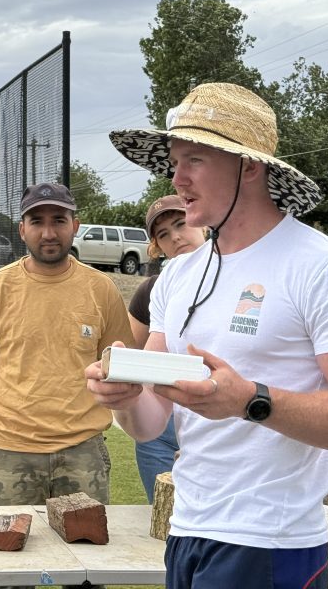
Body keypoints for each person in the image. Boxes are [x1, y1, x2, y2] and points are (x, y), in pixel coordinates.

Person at [87, 83, 328, 589]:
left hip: (272, 544)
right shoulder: (179, 275)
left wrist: (249, 401)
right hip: (187, 530)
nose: (177, 177)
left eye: (194, 159)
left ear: (249, 166)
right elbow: (150, 423)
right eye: (174, 161)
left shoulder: (323, 268)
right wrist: (122, 395)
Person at [0, 182, 135, 509]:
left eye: (59, 220)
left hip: (83, 451)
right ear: (22, 230)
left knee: (86, 552)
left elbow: (116, 367)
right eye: (37, 221)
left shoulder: (101, 289)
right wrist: (11, 418)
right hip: (10, 454)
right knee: (10, 553)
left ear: (75, 226)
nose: (49, 232)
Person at [128, 194, 207, 503]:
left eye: (181, 223)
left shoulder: (240, 274)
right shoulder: (155, 288)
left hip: (218, 421)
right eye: (163, 234)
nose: (175, 236)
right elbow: (140, 357)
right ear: (156, 246)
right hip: (163, 427)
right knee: (165, 519)